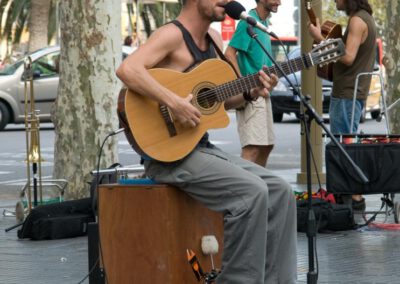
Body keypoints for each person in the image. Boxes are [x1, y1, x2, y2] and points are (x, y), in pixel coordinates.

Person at [116, 0, 297, 283]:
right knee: (252, 194)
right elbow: (128, 70)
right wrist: (173, 102)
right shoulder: (172, 35)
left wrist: (252, 91)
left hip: (199, 149)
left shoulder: (213, 39)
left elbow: (220, 100)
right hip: (168, 158)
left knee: (280, 192)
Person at [308, 0, 376, 210]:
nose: (335, 1)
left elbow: (348, 57)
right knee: (347, 143)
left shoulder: (357, 21)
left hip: (347, 92)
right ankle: (353, 196)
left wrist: (320, 39)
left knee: (342, 145)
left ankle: (351, 198)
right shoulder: (365, 18)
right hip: (351, 92)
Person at [224, 0, 281, 167]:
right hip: (251, 96)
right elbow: (229, 54)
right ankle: (243, 190)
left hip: (264, 94)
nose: (279, 2)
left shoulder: (263, 24)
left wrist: (271, 82)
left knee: (266, 147)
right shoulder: (247, 22)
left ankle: (259, 187)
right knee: (252, 149)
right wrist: (244, 86)